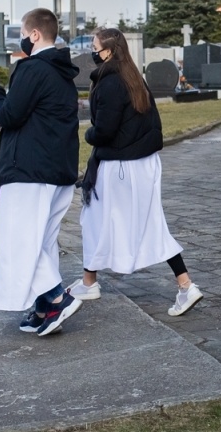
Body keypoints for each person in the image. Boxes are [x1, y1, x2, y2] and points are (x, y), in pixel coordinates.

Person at [74, 26, 204, 316]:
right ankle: (184, 284)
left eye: (95, 48)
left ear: (108, 51)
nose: (92, 52)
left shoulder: (110, 83)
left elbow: (105, 130)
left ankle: (89, 282)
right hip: (143, 163)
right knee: (149, 223)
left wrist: (88, 134)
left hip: (120, 165)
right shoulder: (133, 77)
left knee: (94, 219)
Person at [0, 8, 83, 337]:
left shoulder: (32, 68)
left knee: (16, 238)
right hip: (56, 167)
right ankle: (44, 309)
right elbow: (30, 113)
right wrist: (3, 113)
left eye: (23, 34)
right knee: (41, 240)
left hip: (30, 169)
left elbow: (10, 113)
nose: (21, 40)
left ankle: (56, 297)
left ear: (35, 34)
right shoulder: (62, 72)